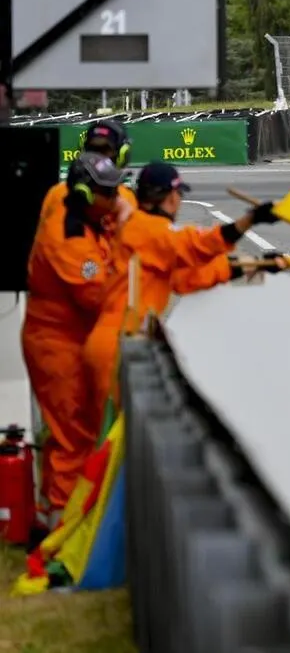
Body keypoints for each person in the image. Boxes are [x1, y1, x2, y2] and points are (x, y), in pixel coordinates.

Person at [82, 162, 287, 422]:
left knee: (124, 434)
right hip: (118, 346)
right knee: (120, 436)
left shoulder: (146, 235)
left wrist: (258, 264)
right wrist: (249, 220)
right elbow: (196, 246)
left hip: (120, 342)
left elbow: (189, 278)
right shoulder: (147, 229)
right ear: (170, 197)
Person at [21, 152, 131, 529]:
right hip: (55, 344)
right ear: (85, 194)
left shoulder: (91, 216)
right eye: (109, 192)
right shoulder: (67, 236)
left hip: (74, 338)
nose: (116, 198)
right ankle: (62, 529)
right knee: (73, 437)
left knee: (74, 431)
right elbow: (99, 296)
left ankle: (52, 516)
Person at [41, 119, 135, 218]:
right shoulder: (57, 194)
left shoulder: (57, 192)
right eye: (93, 149)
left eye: (104, 150)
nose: (97, 157)